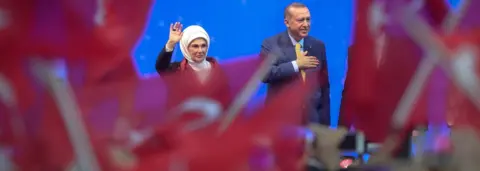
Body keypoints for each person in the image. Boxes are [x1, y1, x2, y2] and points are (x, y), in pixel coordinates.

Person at [260, 2, 330, 126]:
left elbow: (323, 87)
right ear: (287, 22)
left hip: (312, 123)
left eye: (308, 20)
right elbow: (264, 74)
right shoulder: (271, 44)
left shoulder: (318, 46)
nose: (306, 24)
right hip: (281, 123)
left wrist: (324, 126)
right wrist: (296, 65)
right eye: (300, 20)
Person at [155, 22, 220, 83]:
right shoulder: (176, 71)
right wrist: (171, 43)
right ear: (185, 48)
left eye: (203, 46)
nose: (200, 50)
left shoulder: (218, 69)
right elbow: (161, 68)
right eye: (195, 46)